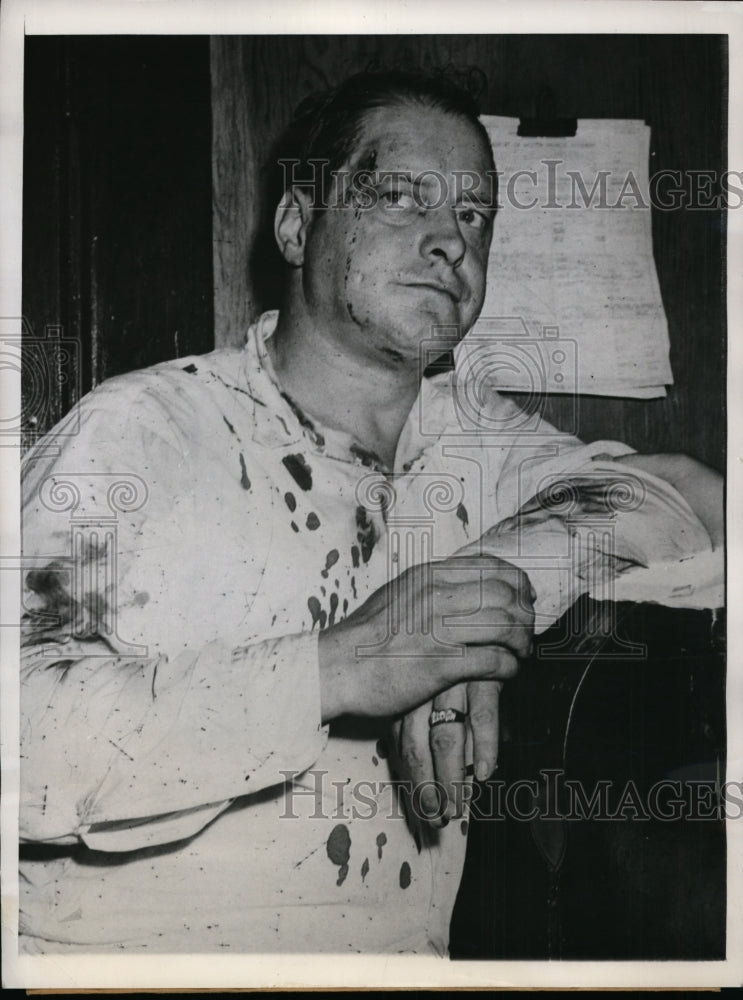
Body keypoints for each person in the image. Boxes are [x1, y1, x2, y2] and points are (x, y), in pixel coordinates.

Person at [18, 69, 723, 956]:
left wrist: (485, 587)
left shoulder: (477, 442)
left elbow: (701, 500)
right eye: (398, 198)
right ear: (294, 224)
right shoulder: (146, 431)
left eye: (473, 214)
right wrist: (340, 667)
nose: (447, 243)